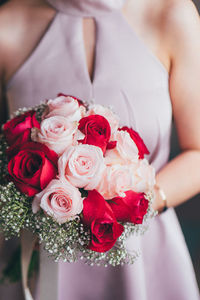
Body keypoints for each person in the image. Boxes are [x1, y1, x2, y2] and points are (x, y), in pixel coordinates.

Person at [0, 0, 200, 299]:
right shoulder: (8, 23)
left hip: (145, 255)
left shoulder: (172, 12)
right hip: (39, 257)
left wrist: (131, 206)